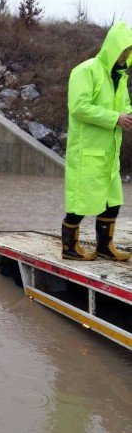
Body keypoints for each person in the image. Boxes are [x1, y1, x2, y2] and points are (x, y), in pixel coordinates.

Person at [62, 21, 132, 261]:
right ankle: (69, 248)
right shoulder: (86, 70)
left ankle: (105, 247)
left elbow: (124, 107)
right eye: (124, 49)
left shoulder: (120, 77)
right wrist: (115, 118)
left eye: (130, 51)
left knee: (112, 202)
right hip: (87, 152)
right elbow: (78, 107)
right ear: (113, 47)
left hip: (109, 152)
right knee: (81, 202)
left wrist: (128, 115)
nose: (126, 55)